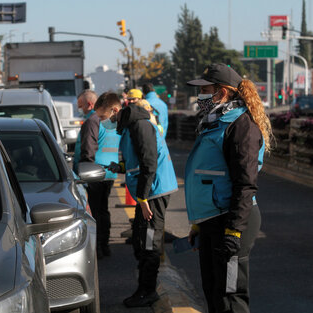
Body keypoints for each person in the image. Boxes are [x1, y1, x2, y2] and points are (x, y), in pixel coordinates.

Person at [185, 63, 272, 313]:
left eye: (205, 90)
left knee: (230, 297)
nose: (200, 97)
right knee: (213, 292)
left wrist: (234, 231)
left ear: (222, 92)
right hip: (213, 219)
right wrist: (198, 223)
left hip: (232, 220)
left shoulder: (241, 126)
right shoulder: (215, 122)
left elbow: (245, 184)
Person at [94, 92, 178, 307]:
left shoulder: (139, 126)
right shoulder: (130, 127)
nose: (102, 123)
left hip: (154, 193)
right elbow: (137, 161)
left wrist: (142, 199)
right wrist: (119, 167)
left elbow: (149, 163)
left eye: (103, 118)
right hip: (149, 192)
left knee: (149, 242)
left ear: (115, 111)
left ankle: (148, 291)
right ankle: (144, 288)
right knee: (141, 242)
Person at [73, 90, 120, 259]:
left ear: (91, 104)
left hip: (94, 172)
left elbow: (88, 148)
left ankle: (98, 247)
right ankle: (104, 245)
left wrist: (84, 170)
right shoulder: (111, 122)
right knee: (103, 209)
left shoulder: (93, 121)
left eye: (81, 107)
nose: (81, 110)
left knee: (94, 211)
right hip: (109, 172)